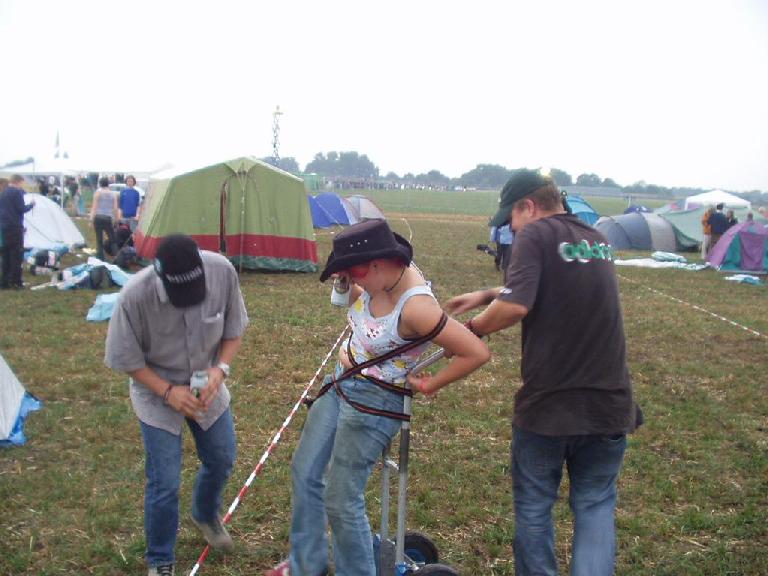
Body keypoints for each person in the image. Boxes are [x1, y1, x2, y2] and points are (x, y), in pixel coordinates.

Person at [445, 169, 643, 576]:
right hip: (610, 405)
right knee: (595, 505)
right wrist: (486, 293)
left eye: (511, 219)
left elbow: (516, 306)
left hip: (550, 407)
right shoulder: (596, 239)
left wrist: (472, 330)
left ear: (529, 206)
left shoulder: (535, 235)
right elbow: (557, 281)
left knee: (535, 507)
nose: (512, 229)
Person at [267, 219, 489, 576]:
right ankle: (307, 565)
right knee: (305, 471)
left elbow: (475, 352)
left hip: (375, 402)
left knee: (341, 499)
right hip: (341, 382)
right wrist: (344, 280)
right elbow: (360, 303)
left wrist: (431, 385)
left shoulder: (417, 308)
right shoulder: (378, 279)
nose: (353, 282)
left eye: (354, 273)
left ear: (378, 264)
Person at [105, 234, 249, 576]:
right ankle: (160, 559)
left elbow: (234, 327)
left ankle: (205, 514)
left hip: (205, 381)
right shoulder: (134, 296)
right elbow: (125, 358)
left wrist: (220, 369)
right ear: (160, 274)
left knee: (222, 456)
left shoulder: (222, 272)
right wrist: (168, 392)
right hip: (156, 388)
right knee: (165, 481)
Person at [0, 174, 35, 289]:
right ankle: (16, 282)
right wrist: (31, 205)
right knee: (16, 255)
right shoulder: (16, 192)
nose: (22, 185)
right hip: (15, 227)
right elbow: (21, 209)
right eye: (22, 183)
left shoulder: (3, 192)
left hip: (4, 227)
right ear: (18, 181)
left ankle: (4, 282)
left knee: (6, 255)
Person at [89, 176, 119, 260]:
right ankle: (117, 256)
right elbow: (115, 208)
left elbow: (94, 207)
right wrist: (117, 219)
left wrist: (91, 220)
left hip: (98, 217)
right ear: (108, 184)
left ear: (100, 184)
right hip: (108, 218)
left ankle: (100, 257)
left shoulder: (97, 193)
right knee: (112, 238)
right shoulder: (113, 194)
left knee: (99, 238)